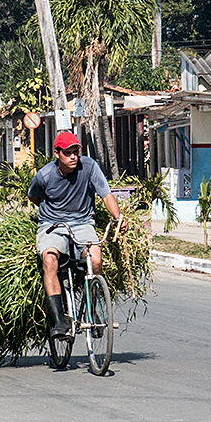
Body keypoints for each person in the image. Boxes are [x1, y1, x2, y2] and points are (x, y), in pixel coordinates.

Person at [27, 131, 127, 340]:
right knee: (50, 260)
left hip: (83, 223)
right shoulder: (45, 175)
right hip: (52, 225)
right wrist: (50, 213)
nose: (73, 157)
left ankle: (93, 310)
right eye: (67, 153)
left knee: (96, 259)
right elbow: (34, 196)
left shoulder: (89, 167)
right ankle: (58, 322)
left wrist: (118, 218)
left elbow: (106, 194)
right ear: (57, 154)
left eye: (76, 152)